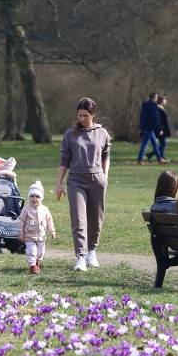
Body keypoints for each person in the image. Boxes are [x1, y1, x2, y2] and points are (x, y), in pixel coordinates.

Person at [56, 97, 111, 272]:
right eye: (79, 115)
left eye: (85, 115)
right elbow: (64, 160)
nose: (82, 118)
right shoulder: (70, 134)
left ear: (93, 114)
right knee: (79, 219)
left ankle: (91, 251)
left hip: (97, 181)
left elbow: (106, 154)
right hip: (76, 181)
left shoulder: (102, 133)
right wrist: (59, 183)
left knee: (95, 219)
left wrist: (105, 175)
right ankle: (80, 257)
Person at [18, 181, 56, 274]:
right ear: (29, 197)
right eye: (32, 196)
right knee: (32, 252)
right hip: (29, 236)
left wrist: (52, 231)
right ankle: (32, 266)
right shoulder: (26, 209)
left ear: (41, 198)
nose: (34, 199)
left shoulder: (44, 209)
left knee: (40, 253)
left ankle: (37, 263)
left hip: (41, 236)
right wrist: (20, 233)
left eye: (37, 196)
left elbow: (49, 220)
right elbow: (21, 221)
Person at [137, 93, 167, 165]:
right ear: (154, 98)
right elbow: (155, 118)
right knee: (145, 144)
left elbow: (141, 117)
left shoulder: (145, 106)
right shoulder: (153, 107)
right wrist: (159, 128)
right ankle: (139, 159)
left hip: (147, 127)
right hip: (149, 128)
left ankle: (159, 159)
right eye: (156, 98)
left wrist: (141, 127)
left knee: (155, 144)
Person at [146, 95, 171, 163]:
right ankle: (153, 155)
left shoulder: (161, 108)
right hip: (160, 129)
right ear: (161, 100)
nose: (166, 101)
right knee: (163, 143)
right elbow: (159, 120)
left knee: (163, 143)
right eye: (164, 100)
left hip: (163, 129)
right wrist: (160, 129)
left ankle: (161, 157)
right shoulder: (158, 108)